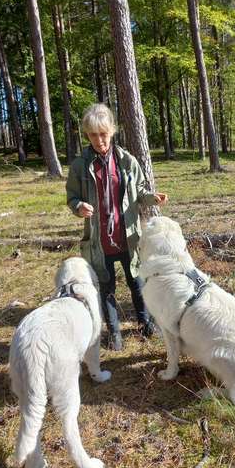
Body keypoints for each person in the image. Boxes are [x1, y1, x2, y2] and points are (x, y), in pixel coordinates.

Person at [66, 103, 168, 351]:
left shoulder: (127, 161)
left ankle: (145, 324)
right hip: (99, 240)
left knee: (137, 282)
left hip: (128, 236)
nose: (99, 140)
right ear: (86, 135)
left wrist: (152, 198)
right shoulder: (80, 166)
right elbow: (72, 197)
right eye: (93, 135)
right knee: (106, 287)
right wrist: (78, 207)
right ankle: (114, 333)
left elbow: (140, 192)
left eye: (103, 134)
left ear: (111, 131)